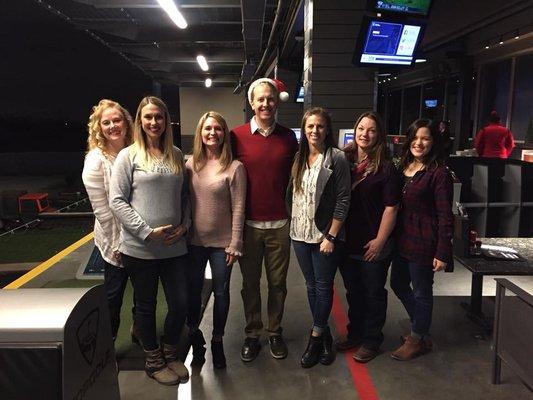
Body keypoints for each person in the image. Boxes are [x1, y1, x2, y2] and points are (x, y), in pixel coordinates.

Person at [110, 96, 190, 386]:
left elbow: (185, 197)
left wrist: (185, 225)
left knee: (180, 302)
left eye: (159, 117)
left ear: (166, 120)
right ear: (140, 121)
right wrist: (146, 232)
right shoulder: (128, 156)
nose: (154, 122)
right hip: (140, 248)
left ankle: (170, 352)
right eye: (148, 117)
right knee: (145, 305)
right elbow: (117, 201)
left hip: (174, 247)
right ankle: (153, 360)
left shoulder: (177, 155)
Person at [231, 77, 298, 362]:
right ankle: (252, 333)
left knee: (278, 285)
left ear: (276, 101)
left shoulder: (289, 138)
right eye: (260, 99)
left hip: (280, 225)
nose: (266, 103)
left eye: (270, 98)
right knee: (249, 285)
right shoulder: (236, 136)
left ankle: (274, 331)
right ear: (251, 103)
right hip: (248, 226)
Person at [286, 107, 350, 368]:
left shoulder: (336, 158)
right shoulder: (299, 157)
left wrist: (332, 236)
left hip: (325, 236)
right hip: (299, 235)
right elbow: (294, 194)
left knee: (323, 287)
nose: (315, 131)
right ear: (304, 129)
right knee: (311, 287)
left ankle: (314, 338)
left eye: (320, 126)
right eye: (310, 126)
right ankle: (324, 335)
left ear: (327, 129)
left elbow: (344, 199)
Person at [336, 111, 401, 363]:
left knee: (373, 292)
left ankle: (372, 340)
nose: (365, 134)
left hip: (374, 243)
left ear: (379, 135)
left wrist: (380, 240)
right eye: (361, 128)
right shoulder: (344, 160)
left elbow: (391, 207)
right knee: (354, 291)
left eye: (371, 130)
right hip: (348, 240)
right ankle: (355, 333)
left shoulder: (386, 168)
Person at [186, 111, 246, 369]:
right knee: (192, 292)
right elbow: (184, 203)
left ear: (224, 134)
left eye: (218, 129)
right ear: (201, 133)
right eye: (208, 128)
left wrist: (235, 243)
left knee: (221, 293)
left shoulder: (234, 168)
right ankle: (194, 336)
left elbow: (239, 208)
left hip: (223, 245)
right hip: (193, 243)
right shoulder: (190, 165)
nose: (213, 133)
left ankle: (218, 339)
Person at [390, 118, 453, 361]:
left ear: (433, 142)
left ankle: (417, 338)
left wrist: (442, 251)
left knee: (422, 291)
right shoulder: (404, 166)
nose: (419, 143)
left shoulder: (438, 173)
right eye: (415, 138)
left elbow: (445, 214)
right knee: (398, 283)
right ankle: (422, 330)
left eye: (425, 138)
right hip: (402, 239)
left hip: (424, 242)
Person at [82, 99, 134, 341]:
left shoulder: (136, 150)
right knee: (113, 297)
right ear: (99, 128)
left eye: (117, 120)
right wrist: (117, 246)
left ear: (126, 122)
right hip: (115, 239)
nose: (113, 126)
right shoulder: (96, 160)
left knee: (144, 292)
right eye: (107, 122)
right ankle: (108, 345)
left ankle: (140, 331)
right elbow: (102, 211)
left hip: (141, 236)